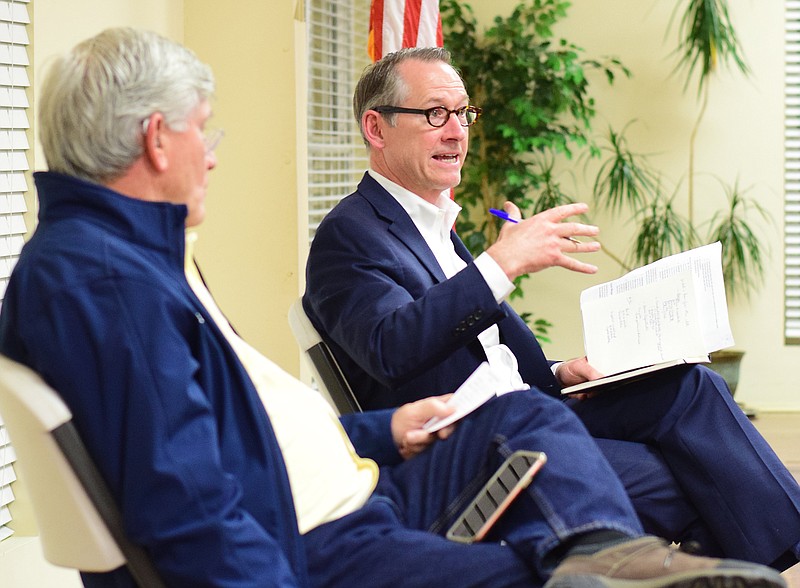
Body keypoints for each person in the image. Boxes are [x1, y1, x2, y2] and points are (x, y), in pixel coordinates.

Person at [0, 27, 788, 588]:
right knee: (630, 510)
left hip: (362, 475)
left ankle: (615, 561)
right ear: (155, 141)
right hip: (320, 538)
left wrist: (381, 428)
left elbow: (239, 428)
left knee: (591, 414)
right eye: (204, 132)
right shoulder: (105, 283)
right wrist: (498, 266)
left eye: (461, 115)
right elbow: (184, 508)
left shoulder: (130, 259)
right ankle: (621, 565)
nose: (212, 153)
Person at [302, 46, 800, 572]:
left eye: (463, 113)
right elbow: (389, 348)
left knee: (691, 387)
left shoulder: (432, 228)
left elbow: (483, 348)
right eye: (434, 114)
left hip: (539, 404)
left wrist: (561, 369)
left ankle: (763, 562)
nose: (456, 131)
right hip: (477, 443)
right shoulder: (350, 234)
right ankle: (734, 576)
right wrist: (500, 264)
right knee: (686, 474)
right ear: (376, 129)